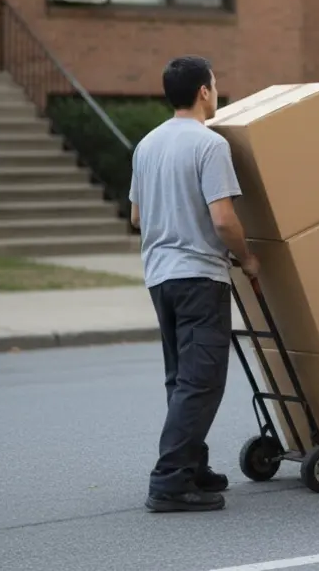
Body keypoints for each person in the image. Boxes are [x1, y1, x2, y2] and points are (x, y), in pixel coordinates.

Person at [129, 55, 260, 513]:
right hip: (199, 277)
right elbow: (223, 220)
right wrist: (248, 258)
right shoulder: (209, 144)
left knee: (182, 379)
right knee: (202, 382)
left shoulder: (147, 144)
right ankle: (169, 482)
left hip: (159, 277)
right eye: (215, 85)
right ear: (204, 91)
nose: (216, 92)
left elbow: (137, 216)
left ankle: (192, 466)